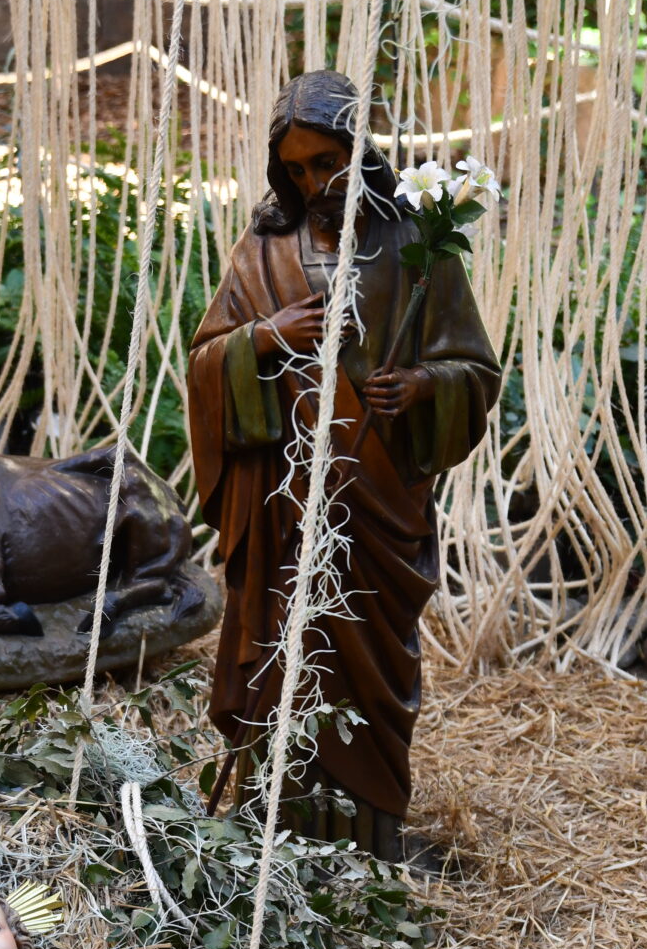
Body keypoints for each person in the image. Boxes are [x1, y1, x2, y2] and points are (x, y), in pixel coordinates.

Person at [189, 69, 501, 862]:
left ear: (362, 151)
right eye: (295, 170)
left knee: (367, 655)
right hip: (283, 509)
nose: (313, 182)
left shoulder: (418, 246)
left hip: (375, 502)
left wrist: (425, 384)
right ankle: (277, 825)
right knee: (283, 651)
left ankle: (369, 832)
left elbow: (476, 369)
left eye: (326, 162)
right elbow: (204, 361)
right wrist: (265, 335)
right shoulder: (262, 251)